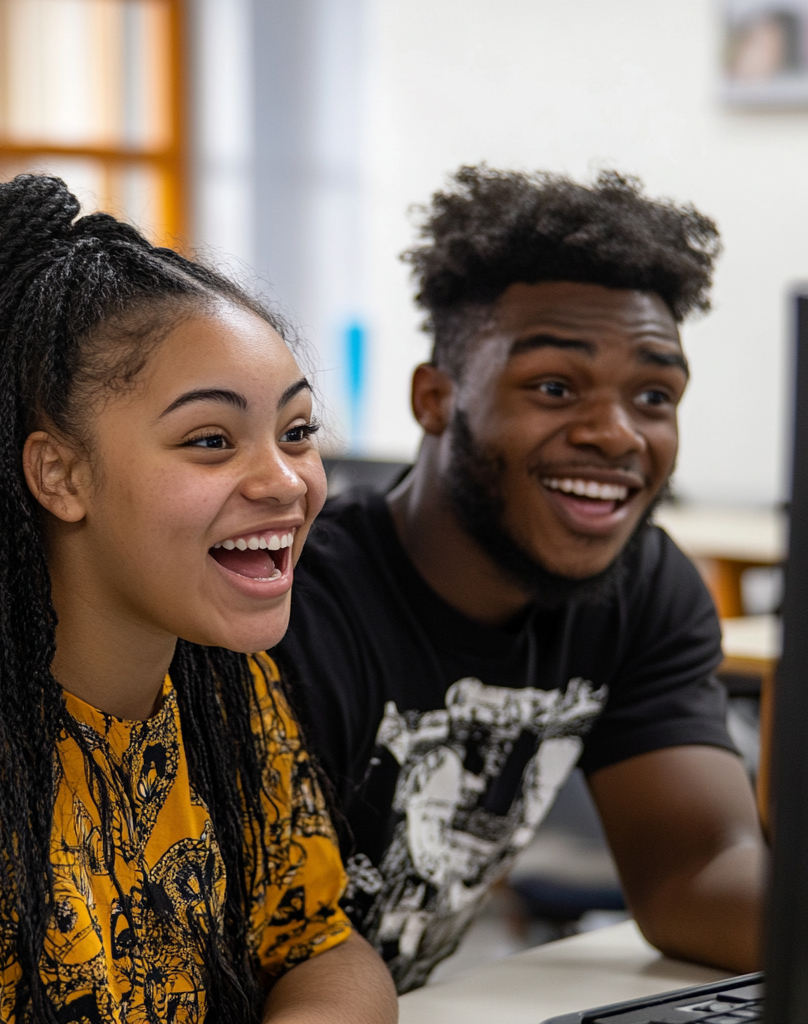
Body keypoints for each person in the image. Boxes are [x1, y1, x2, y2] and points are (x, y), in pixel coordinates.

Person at [0, 175, 397, 1024]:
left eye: (298, 431)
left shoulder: (226, 686)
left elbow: (320, 945)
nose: (286, 481)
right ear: (61, 474)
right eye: (210, 440)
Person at [277, 166, 767, 992]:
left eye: (654, 395)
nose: (616, 434)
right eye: (553, 386)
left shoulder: (641, 589)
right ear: (436, 398)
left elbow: (696, 871)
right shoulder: (298, 608)